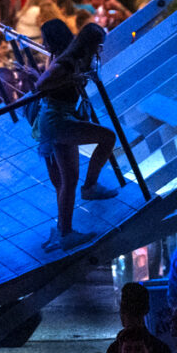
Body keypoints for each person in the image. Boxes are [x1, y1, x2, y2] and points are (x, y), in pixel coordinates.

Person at [28, 25, 118, 249]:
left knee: (67, 180)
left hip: (60, 117)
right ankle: (89, 188)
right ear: (89, 44)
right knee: (107, 137)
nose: (100, 50)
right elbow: (42, 85)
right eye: (98, 45)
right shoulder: (67, 63)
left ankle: (64, 230)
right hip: (57, 118)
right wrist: (72, 79)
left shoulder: (75, 60)